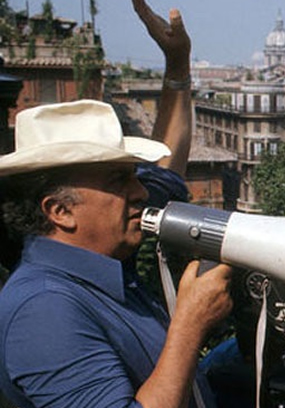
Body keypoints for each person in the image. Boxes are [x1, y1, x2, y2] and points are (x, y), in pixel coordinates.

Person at [0, 3, 234, 408]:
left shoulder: (102, 258)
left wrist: (177, 66)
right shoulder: (43, 311)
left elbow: (165, 170)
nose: (140, 192)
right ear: (60, 211)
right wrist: (190, 324)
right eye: (119, 180)